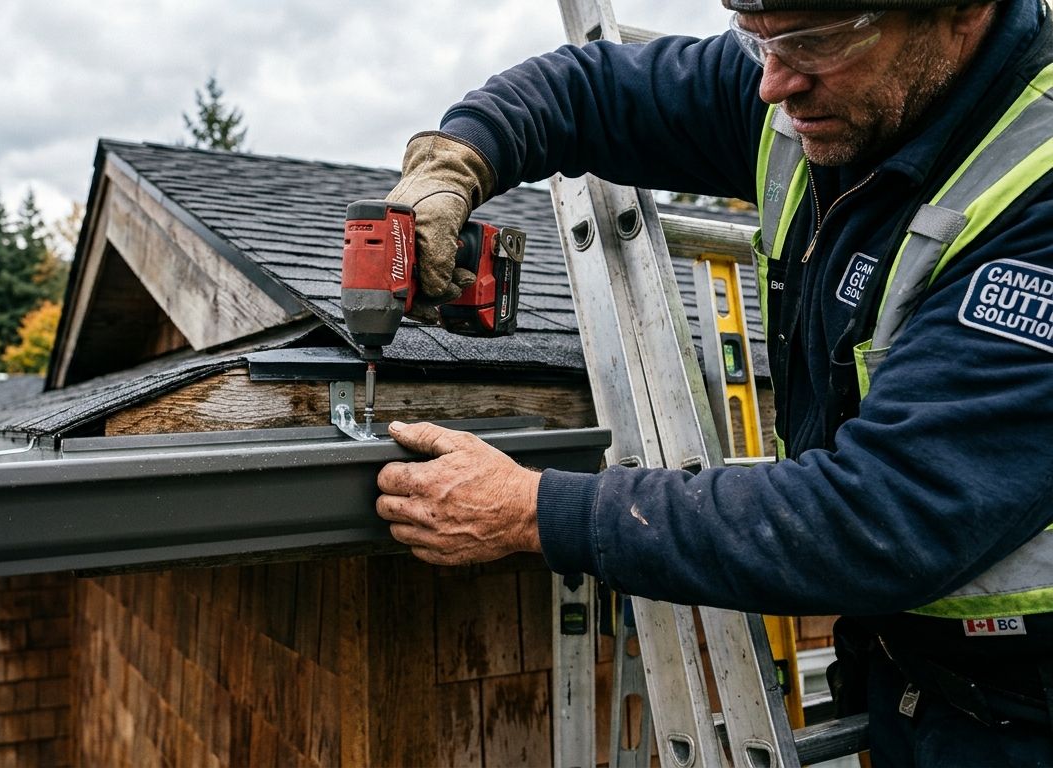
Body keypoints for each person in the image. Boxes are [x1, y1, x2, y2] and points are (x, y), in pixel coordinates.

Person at [371, 0, 1053, 763]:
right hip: (911, 675)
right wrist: (454, 160)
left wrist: (537, 510)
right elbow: (585, 91)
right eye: (759, 42)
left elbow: (889, 515)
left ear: (963, 11)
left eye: (814, 42)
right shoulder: (813, 85)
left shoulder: (1037, 186)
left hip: (1027, 705)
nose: (773, 86)